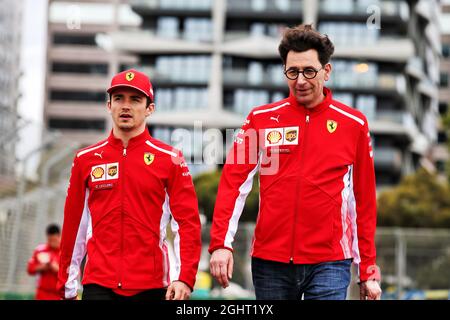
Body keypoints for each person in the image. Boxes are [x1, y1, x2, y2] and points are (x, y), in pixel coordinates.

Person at [209, 24, 382, 300]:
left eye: (309, 71)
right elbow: (233, 181)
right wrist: (221, 244)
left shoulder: (354, 124)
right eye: (292, 72)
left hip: (331, 261)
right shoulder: (259, 119)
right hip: (270, 262)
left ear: (327, 71)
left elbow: (363, 201)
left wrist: (368, 269)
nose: (300, 80)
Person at [57, 69, 201, 300]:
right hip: (99, 283)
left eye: (135, 100)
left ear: (149, 109)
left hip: (152, 285)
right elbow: (75, 226)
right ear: (108, 105)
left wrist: (185, 277)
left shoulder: (171, 158)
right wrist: (68, 283)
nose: (126, 106)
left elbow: (187, 223)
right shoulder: (85, 159)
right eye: (118, 99)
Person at [27, 224, 61, 300]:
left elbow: (71, 273)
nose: (52, 242)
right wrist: (42, 267)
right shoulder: (40, 250)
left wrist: (57, 269)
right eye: (50, 240)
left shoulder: (64, 253)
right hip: (42, 293)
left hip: (58, 294)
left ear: (59, 237)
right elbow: (30, 269)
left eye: (54, 240)